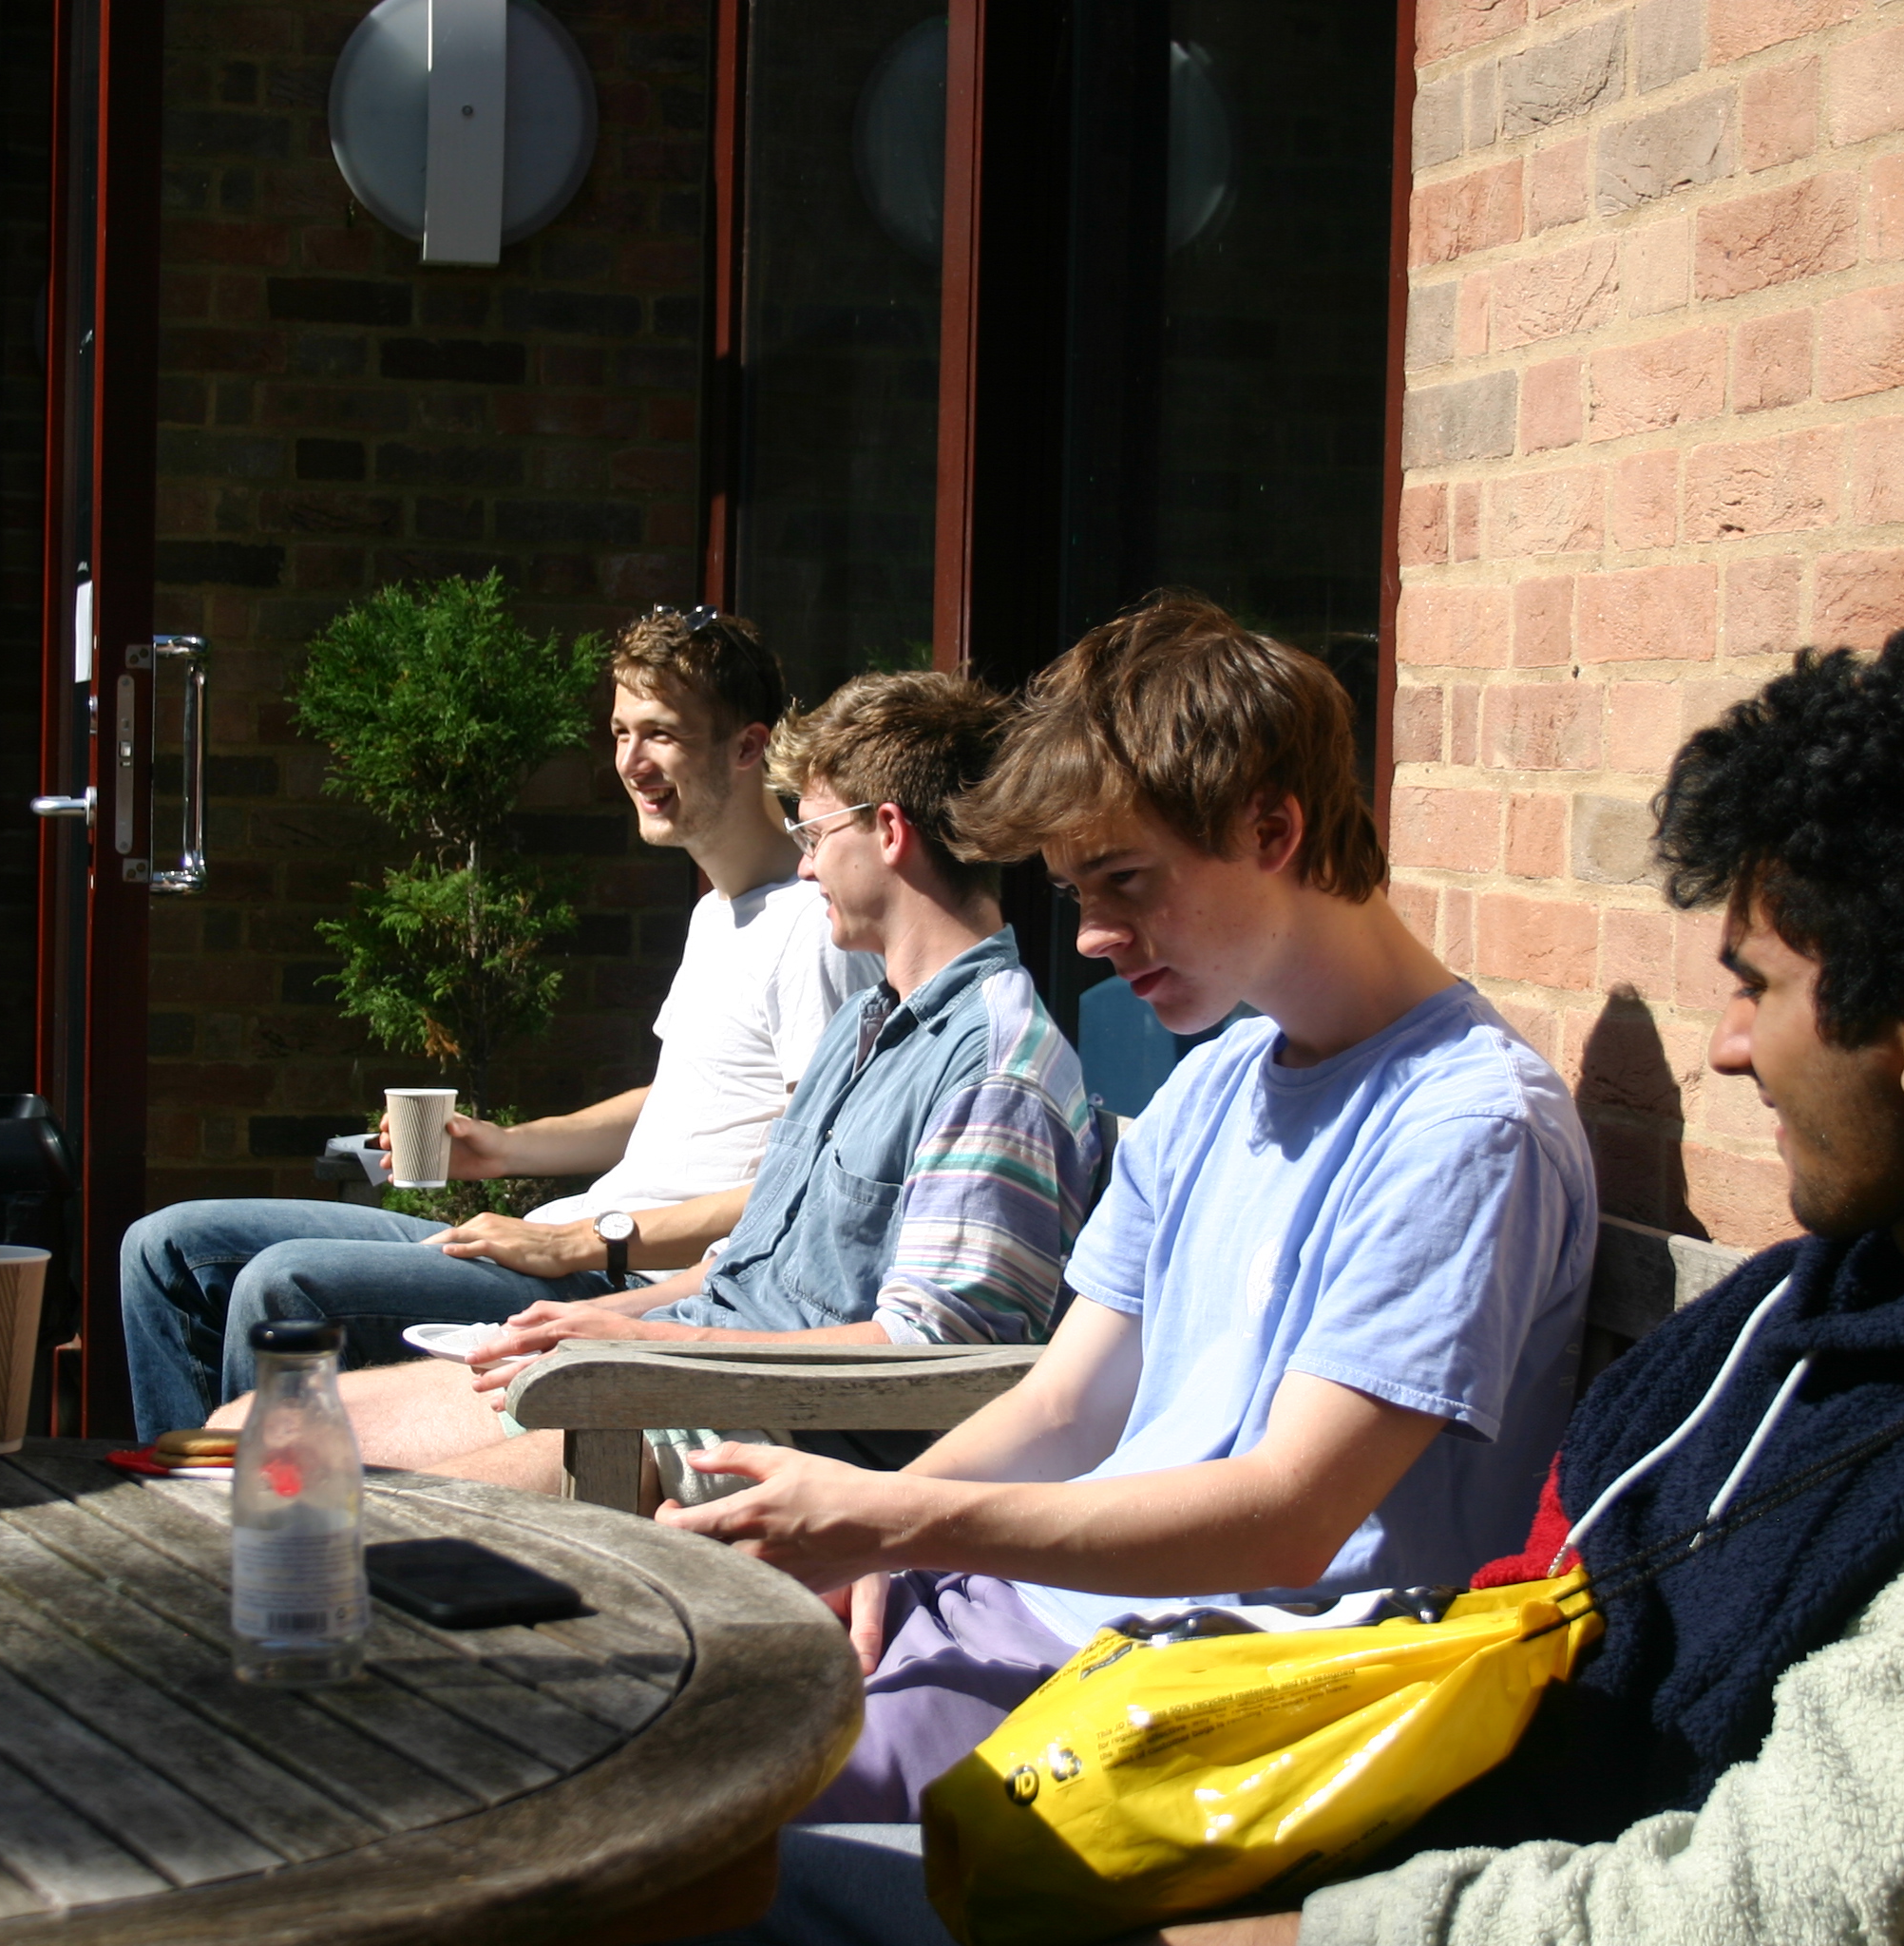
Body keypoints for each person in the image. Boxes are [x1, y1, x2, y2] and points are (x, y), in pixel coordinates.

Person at [1182, 625, 1904, 1946]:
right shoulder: (1771, 1324)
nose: (1728, 1049)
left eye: (1756, 988)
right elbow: (1523, 1602)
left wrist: (1298, 1933)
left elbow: (1783, 1907)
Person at [661, 590, 1596, 1837]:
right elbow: (1068, 1404)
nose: (1095, 936)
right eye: (1073, 891)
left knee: (673, 1833)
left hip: (1200, 1715)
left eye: (1125, 881)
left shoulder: (1466, 1126)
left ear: (1272, 828)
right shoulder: (1218, 1079)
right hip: (1030, 1622)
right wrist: (877, 1545)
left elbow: (1291, 1518)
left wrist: (898, 1516)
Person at [215, 668, 1103, 1506]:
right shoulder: (868, 1023)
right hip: (678, 1370)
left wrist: (641, 1340)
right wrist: (570, 1325)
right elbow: (742, 1269)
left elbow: (936, 1356)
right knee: (247, 1435)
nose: (803, 868)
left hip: (763, 1429)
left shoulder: (993, 1068)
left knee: (300, 1491)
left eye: (814, 836)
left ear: (891, 832)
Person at [118, 608, 878, 1440]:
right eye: (620, 732)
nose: (630, 762)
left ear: (746, 747)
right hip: (563, 1244)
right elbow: (682, 1100)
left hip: (628, 1286)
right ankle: (183, 1493)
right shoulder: (719, 914)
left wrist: (589, 1240)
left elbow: (810, 1185)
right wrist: (504, 1148)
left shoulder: (815, 928)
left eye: (660, 734)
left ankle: (262, 1509)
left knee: (284, 1284)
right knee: (166, 1248)